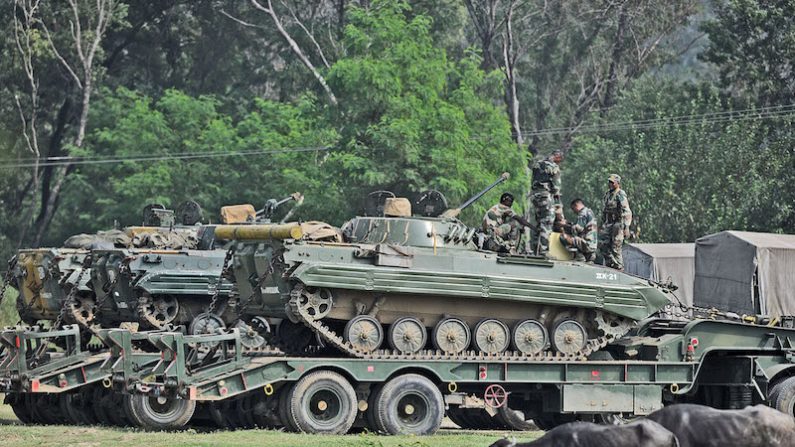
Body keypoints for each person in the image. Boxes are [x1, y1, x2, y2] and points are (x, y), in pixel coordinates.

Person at [528, 150, 563, 256]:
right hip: (545, 196)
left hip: (535, 196)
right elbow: (556, 187)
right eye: (560, 159)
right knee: (547, 222)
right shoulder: (554, 167)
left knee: (539, 222)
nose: (559, 162)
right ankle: (544, 251)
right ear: (557, 156)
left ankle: (535, 249)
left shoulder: (537, 164)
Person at [598, 174, 632, 270]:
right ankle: (611, 264)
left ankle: (619, 267)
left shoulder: (620, 194)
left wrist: (626, 227)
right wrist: (601, 224)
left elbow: (627, 211)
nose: (610, 184)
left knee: (616, 247)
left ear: (617, 183)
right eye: (609, 182)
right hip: (608, 223)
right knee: (602, 244)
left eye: (612, 182)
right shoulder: (608, 194)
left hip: (617, 224)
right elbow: (604, 210)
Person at [560, 198, 597, 262]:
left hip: (586, 243)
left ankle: (579, 255)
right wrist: (568, 223)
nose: (574, 212)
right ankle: (589, 255)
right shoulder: (589, 212)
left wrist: (564, 225)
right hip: (592, 245)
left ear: (576, 205)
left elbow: (577, 229)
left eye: (573, 209)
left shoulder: (582, 213)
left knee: (564, 237)